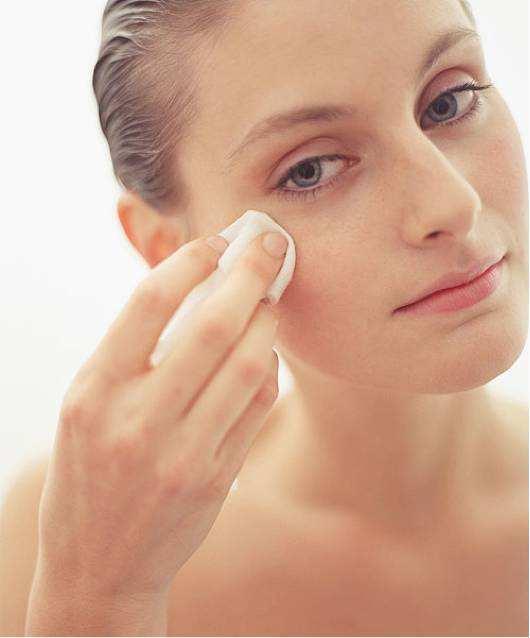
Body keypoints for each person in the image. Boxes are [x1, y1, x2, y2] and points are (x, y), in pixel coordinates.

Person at [1, 0, 528, 635]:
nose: (453, 203)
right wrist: (100, 597)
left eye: (448, 102)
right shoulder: (70, 552)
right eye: (311, 169)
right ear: (169, 247)